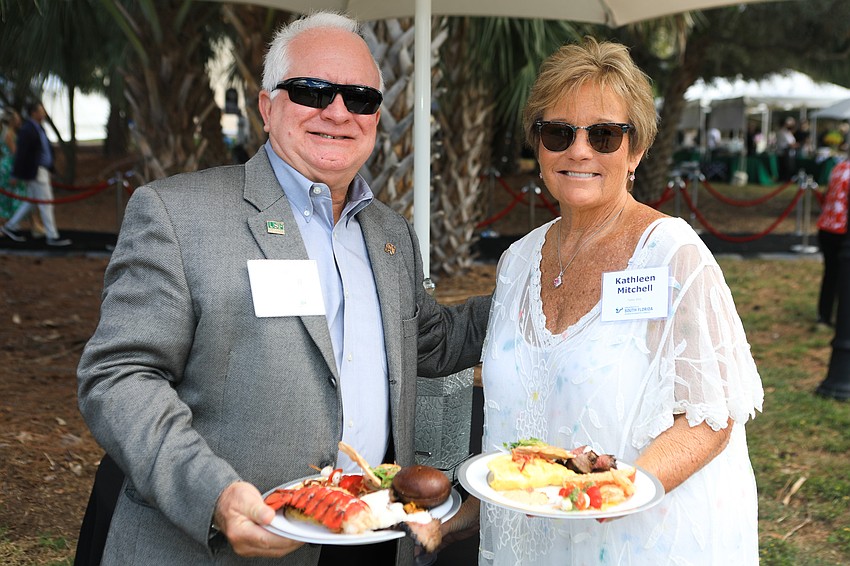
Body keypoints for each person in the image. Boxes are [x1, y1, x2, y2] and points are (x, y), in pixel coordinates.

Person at [76, 11, 489, 566]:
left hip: (369, 537)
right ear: (267, 107)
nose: (337, 112)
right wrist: (215, 498)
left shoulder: (390, 233)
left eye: (360, 98)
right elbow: (118, 377)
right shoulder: (177, 215)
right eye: (312, 91)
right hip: (223, 548)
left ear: (376, 117)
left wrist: (538, 285)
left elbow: (430, 341)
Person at [446, 37, 764, 565]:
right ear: (538, 145)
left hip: (635, 542)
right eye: (558, 133)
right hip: (529, 543)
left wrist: (611, 492)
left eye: (604, 135)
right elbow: (520, 422)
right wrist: (460, 515)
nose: (579, 150)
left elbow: (708, 419)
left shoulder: (672, 256)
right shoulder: (518, 262)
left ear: (635, 150)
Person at [0, 101, 70, 246]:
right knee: (46, 203)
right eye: (41, 110)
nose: (43, 113)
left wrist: (50, 167)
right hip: (36, 171)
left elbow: (44, 149)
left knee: (31, 201)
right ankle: (52, 235)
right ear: (34, 113)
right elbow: (21, 154)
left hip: (41, 170)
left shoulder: (38, 128)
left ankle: (10, 226)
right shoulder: (28, 129)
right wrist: (16, 174)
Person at [815, 151, 850, 327]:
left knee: (831, 274)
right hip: (843, 230)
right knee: (844, 277)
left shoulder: (838, 168)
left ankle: (824, 315)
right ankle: (842, 320)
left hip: (826, 228)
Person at [0, 109, 27, 220]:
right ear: (11, 120)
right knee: (11, 194)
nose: (19, 119)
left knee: (9, 195)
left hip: (7, 164)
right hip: (10, 166)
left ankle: (11, 222)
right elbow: (15, 153)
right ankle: (9, 223)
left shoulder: (7, 132)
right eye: (16, 117)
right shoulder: (9, 134)